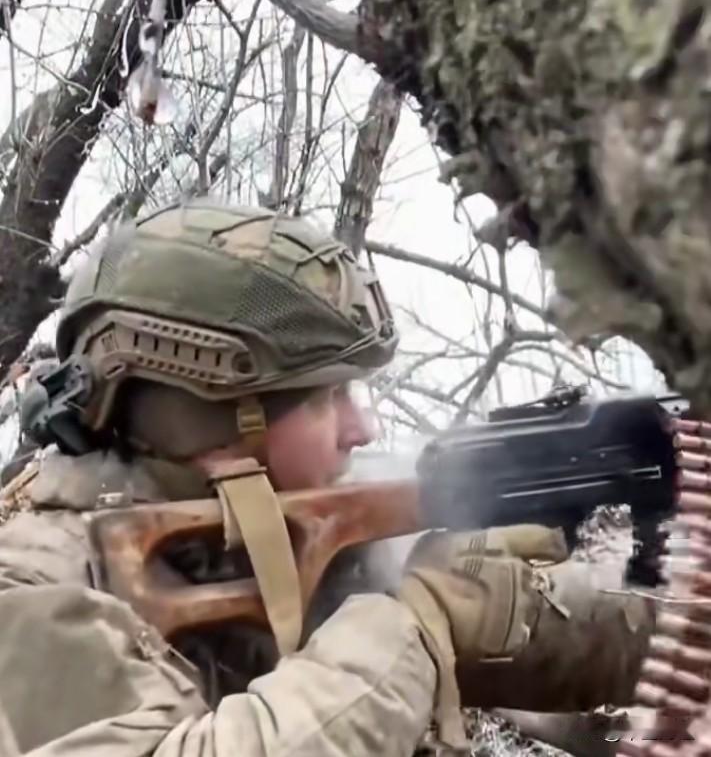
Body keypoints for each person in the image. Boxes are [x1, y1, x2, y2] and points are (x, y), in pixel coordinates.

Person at [0, 201, 654, 756]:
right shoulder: (31, 590)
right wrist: (402, 631)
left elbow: (603, 632)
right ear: (209, 422)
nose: (361, 429)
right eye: (323, 398)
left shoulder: (298, 533)